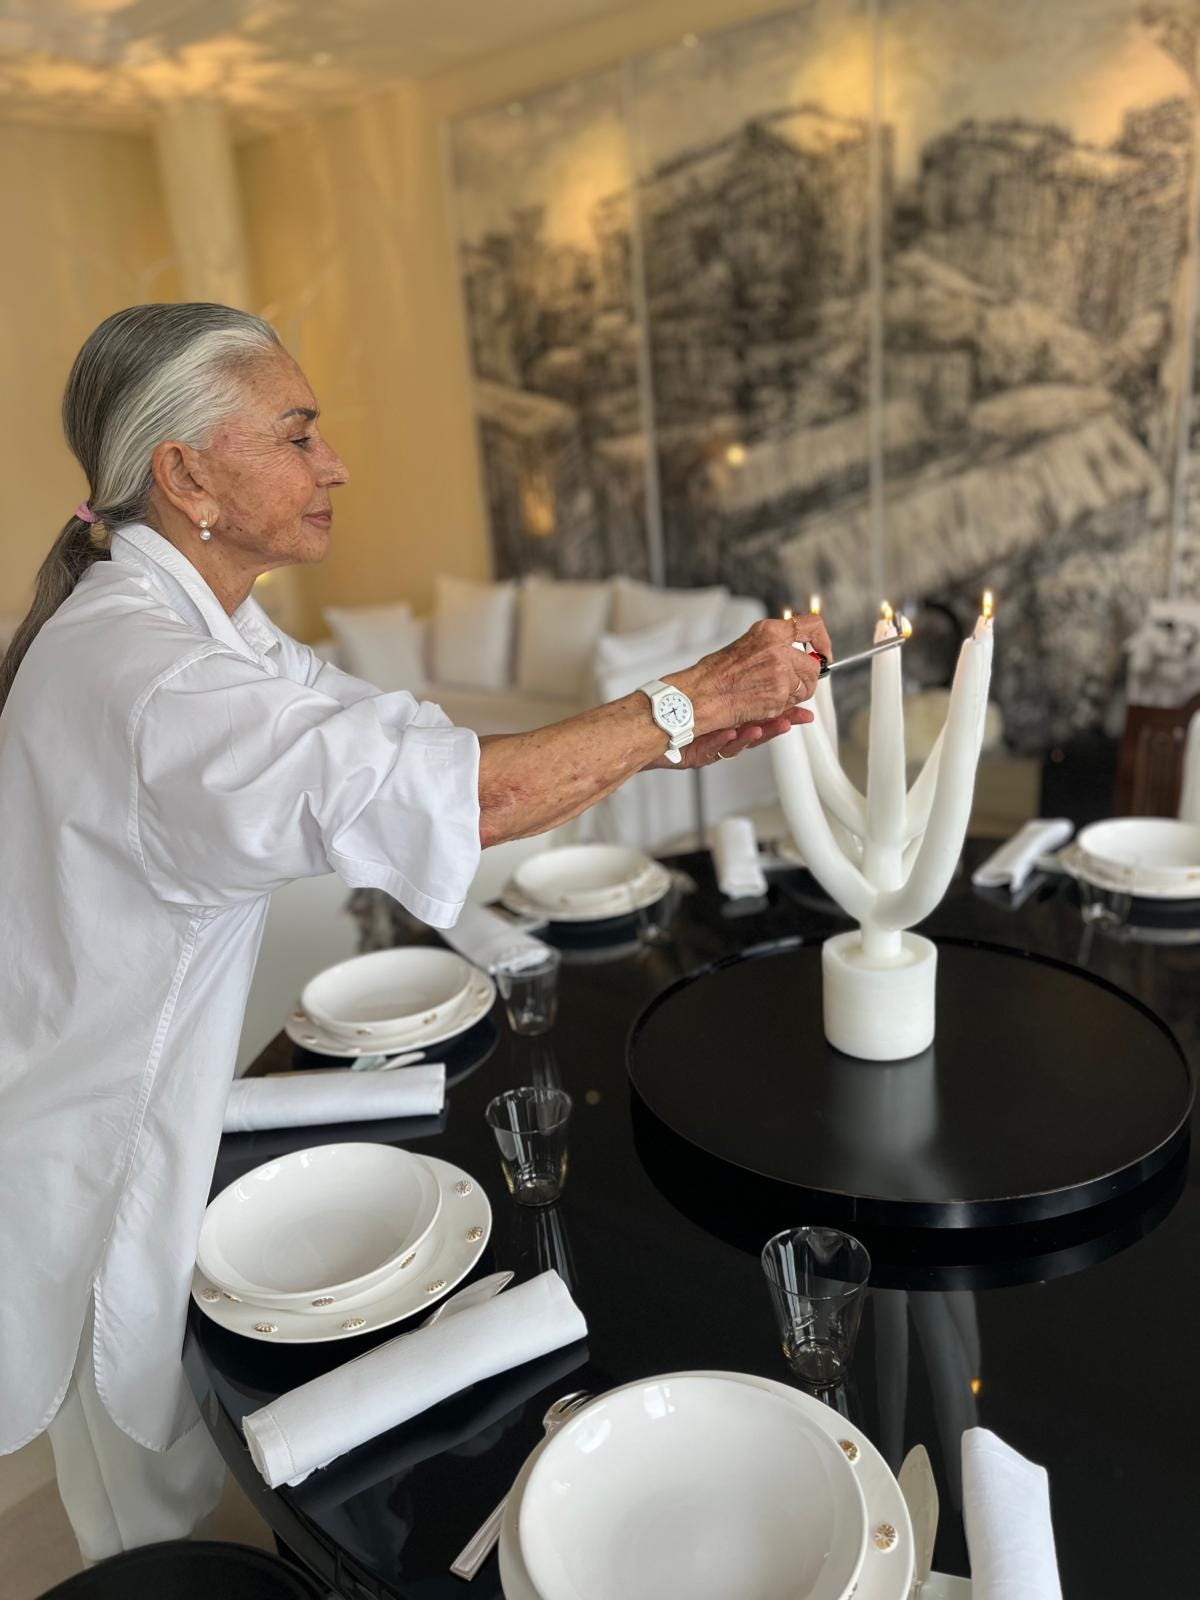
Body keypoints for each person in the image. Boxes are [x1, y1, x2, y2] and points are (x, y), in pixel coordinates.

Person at [0, 303, 831, 1561]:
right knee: (150, 1537)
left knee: (193, 1493)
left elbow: (414, 751)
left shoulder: (202, 628)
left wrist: (670, 735)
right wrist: (688, 697)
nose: (332, 465)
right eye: (297, 434)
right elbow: (451, 800)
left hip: (144, 1130)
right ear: (186, 476)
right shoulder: (155, 680)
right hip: (97, 1170)